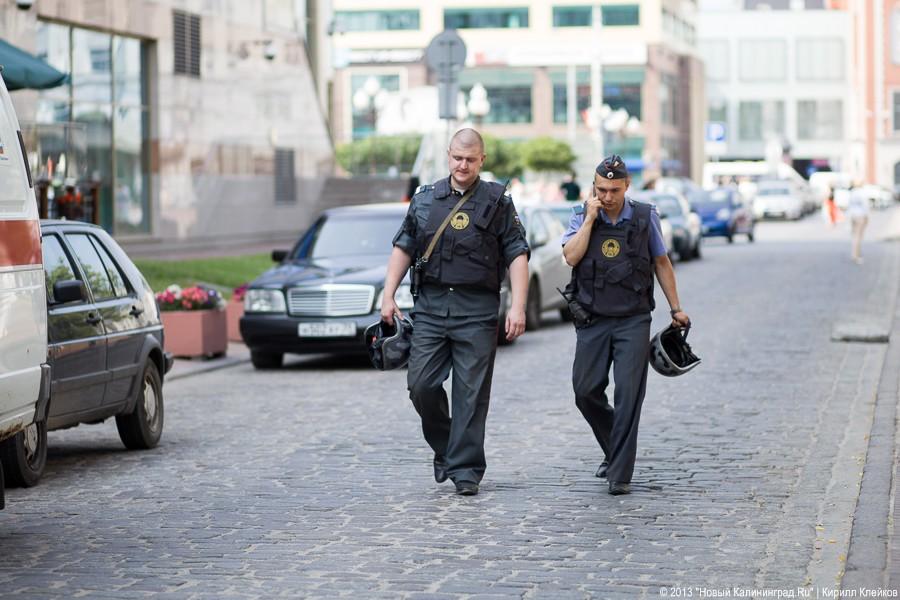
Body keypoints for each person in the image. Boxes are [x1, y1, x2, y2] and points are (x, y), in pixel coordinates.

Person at [381, 128, 530, 496]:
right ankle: (447, 447)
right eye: (457, 158)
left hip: (477, 310)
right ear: (448, 156)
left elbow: (517, 252)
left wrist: (519, 306)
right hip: (431, 309)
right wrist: (388, 295)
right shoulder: (426, 200)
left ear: (482, 160)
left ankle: (465, 470)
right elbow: (404, 246)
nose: (462, 165)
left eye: (470, 159)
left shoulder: (498, 202)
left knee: (470, 393)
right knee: (421, 386)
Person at [562, 155, 690, 495]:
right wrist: (590, 220)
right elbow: (571, 257)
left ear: (626, 186)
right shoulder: (580, 214)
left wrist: (676, 308)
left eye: (613, 190)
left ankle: (620, 474)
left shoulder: (646, 217)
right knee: (585, 392)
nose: (606, 196)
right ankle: (613, 448)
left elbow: (661, 262)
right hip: (592, 318)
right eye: (600, 189)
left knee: (629, 394)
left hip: (633, 318)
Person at [847, 181, 870, 264]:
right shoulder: (862, 193)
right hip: (860, 216)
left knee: (855, 236)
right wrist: (867, 217)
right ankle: (856, 255)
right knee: (859, 236)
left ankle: (856, 253)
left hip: (853, 216)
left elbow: (849, 205)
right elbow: (865, 206)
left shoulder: (852, 192)